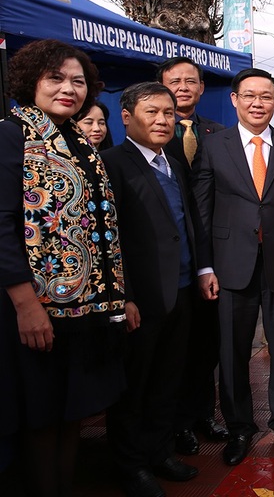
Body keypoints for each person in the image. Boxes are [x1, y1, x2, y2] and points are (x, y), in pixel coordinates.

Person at [0, 39, 126, 497]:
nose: (68, 89)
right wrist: (25, 303)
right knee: (40, 414)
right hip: (36, 310)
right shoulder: (12, 135)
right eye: (56, 78)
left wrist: (119, 296)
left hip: (85, 311)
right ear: (30, 81)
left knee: (72, 411)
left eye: (78, 81)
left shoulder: (78, 142)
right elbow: (3, 223)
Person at [194, 68, 274, 466]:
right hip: (231, 267)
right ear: (234, 99)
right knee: (232, 352)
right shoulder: (214, 147)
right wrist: (205, 268)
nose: (257, 103)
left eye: (265, 97)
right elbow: (202, 210)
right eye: (248, 96)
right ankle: (239, 427)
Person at [103, 82, 207, 497]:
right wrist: (123, 295)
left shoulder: (174, 163)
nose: (163, 120)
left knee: (168, 379)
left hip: (180, 291)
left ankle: (160, 451)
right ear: (127, 116)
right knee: (135, 385)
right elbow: (105, 237)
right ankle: (131, 465)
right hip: (139, 299)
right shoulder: (111, 164)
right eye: (152, 112)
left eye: (168, 113)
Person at [157, 56, 230, 454]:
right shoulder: (150, 134)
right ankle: (177, 423)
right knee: (173, 349)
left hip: (211, 257)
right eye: (175, 81)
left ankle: (204, 414)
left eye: (191, 81)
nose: (184, 87)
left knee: (206, 343)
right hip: (169, 262)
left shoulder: (218, 134)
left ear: (201, 89)